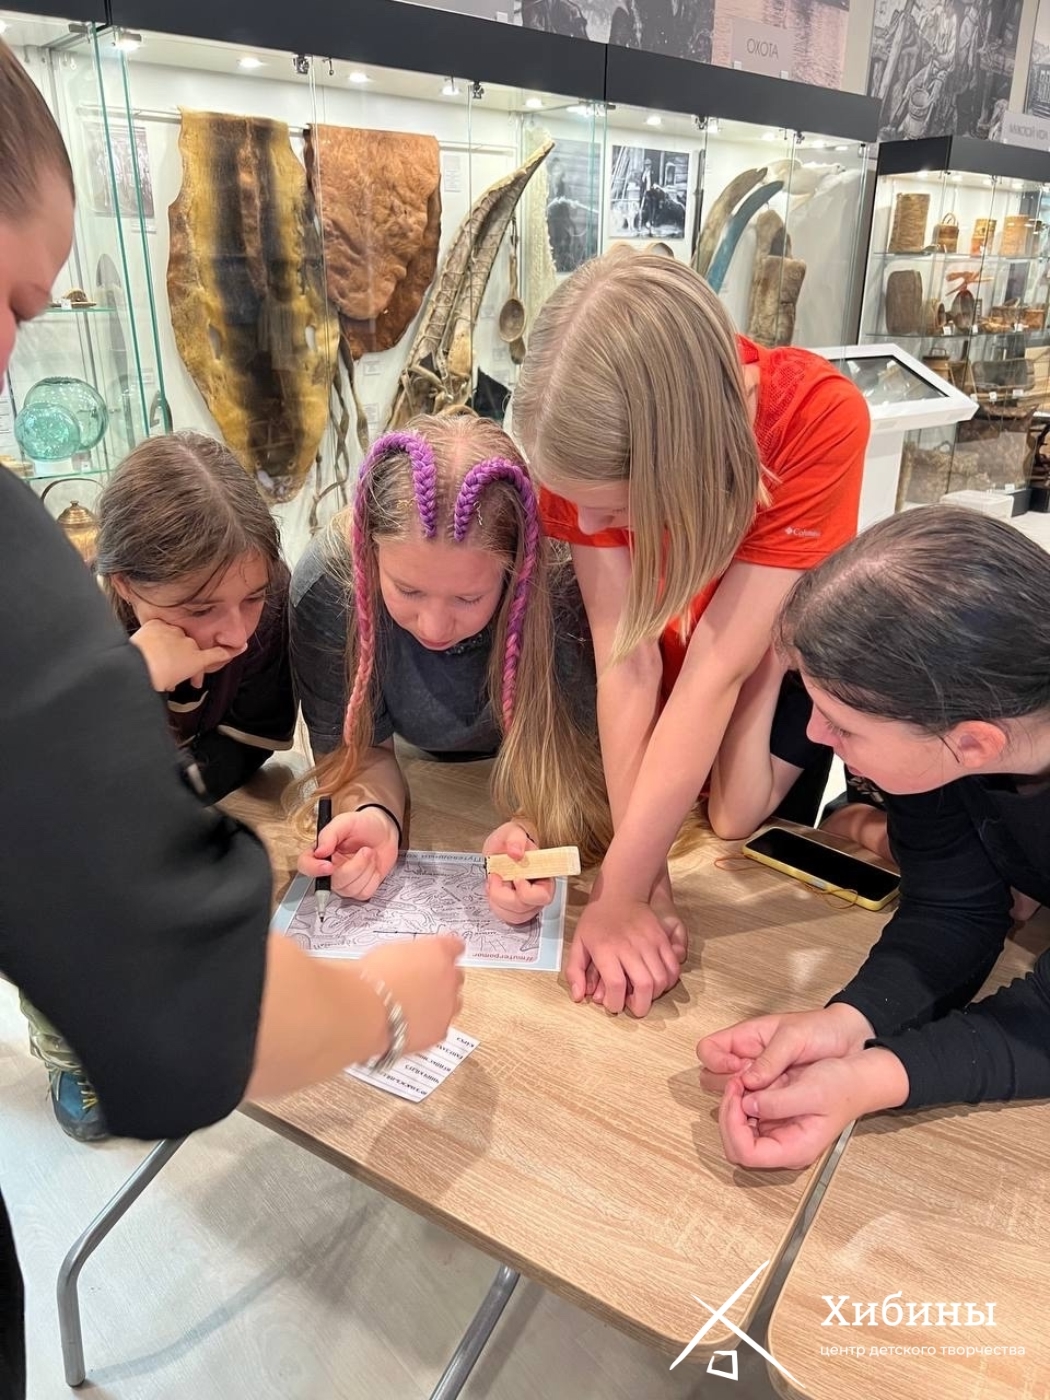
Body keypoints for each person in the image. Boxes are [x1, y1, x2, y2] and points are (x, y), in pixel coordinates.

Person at [0, 40, 462, 1397]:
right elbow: (178, 1007)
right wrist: (383, 1007)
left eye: (249, 601)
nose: (14, 350)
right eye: (14, 299)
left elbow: (328, 754)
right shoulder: (53, 620)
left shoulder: (289, 621)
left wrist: (353, 811)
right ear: (115, 583)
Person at [512, 248, 869, 1016]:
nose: (589, 526)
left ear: (683, 459)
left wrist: (621, 891)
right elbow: (626, 662)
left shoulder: (815, 418)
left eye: (615, 507)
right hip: (654, 718)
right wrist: (643, 887)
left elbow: (718, 669)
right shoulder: (583, 447)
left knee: (742, 828)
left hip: (748, 684)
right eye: (573, 502)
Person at [699, 508, 1050, 1170]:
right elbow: (954, 907)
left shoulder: (949, 728)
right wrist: (852, 1022)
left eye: (843, 726)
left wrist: (871, 1078)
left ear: (975, 743)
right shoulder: (949, 731)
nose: (815, 737)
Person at [21, 432, 297, 1143]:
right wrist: (131, 685)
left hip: (187, 784)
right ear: (124, 586)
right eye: (198, 608)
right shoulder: (54, 641)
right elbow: (43, 810)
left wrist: (169, 793)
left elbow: (254, 738)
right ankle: (69, 1055)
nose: (235, 633)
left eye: (253, 598)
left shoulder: (260, 605)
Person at [290, 417, 608, 924]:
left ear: (516, 569)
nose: (435, 627)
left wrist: (532, 836)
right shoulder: (330, 587)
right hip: (427, 778)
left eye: (468, 598)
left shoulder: (566, 586)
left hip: (535, 764)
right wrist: (374, 816)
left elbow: (580, 768)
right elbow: (360, 752)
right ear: (368, 550)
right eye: (408, 590)